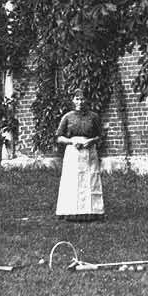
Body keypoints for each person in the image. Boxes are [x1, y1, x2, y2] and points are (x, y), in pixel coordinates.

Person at [55, 91, 106, 221]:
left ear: (86, 101)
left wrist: (91, 141)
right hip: (73, 152)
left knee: (91, 179)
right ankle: (70, 212)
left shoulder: (93, 117)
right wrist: (71, 141)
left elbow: (101, 135)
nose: (80, 102)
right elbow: (59, 137)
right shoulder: (68, 117)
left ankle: (92, 211)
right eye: (77, 99)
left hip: (89, 151)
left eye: (82, 99)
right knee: (72, 180)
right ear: (73, 100)